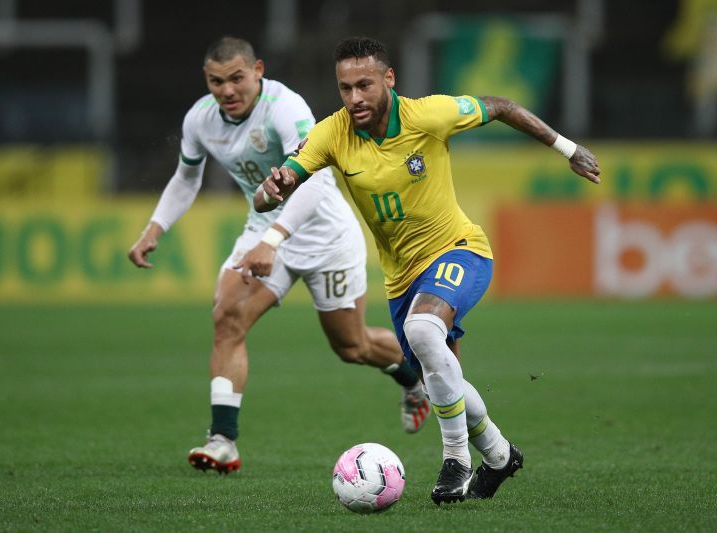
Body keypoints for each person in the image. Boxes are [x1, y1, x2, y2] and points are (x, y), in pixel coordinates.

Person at [255, 36, 601, 504]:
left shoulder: (427, 115)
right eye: (345, 88)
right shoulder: (333, 133)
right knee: (442, 377)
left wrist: (567, 147)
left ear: (388, 79)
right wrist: (273, 189)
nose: (354, 98)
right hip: (400, 279)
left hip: (459, 249)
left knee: (422, 330)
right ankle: (499, 456)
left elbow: (499, 105)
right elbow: (286, 178)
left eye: (364, 85)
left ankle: (455, 460)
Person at [127, 37, 431, 475]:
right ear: (206, 81)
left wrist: (273, 240)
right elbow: (185, 178)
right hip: (264, 232)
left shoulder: (285, 107)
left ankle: (412, 379)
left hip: (324, 233)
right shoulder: (200, 119)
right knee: (227, 315)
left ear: (258, 71)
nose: (228, 90)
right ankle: (223, 440)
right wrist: (153, 229)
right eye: (217, 82)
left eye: (236, 78)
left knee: (352, 345)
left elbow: (317, 181)